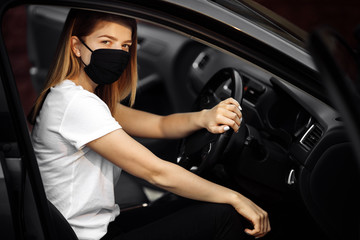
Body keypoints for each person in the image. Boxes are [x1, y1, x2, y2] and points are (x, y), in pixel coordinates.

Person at [29, 8, 270, 240]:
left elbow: (160, 125)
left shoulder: (78, 97)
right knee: (224, 216)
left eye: (124, 46)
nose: (118, 53)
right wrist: (236, 197)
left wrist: (204, 117)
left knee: (196, 202)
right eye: (106, 42)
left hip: (97, 226)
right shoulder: (76, 104)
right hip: (85, 236)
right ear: (76, 46)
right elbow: (157, 173)